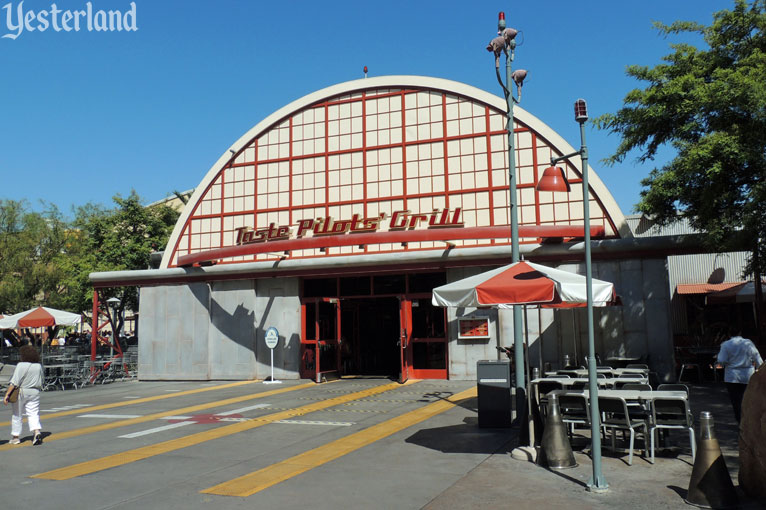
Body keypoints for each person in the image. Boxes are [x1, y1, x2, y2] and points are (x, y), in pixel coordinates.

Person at [716, 329, 763, 423]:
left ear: (729, 334)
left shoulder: (725, 344)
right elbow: (757, 357)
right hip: (748, 375)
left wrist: (728, 362)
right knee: (749, 400)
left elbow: (721, 360)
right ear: (740, 333)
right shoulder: (748, 343)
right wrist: (760, 369)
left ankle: (740, 421)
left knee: (736, 401)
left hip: (732, 376)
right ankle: (750, 421)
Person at [3, 345, 45, 445]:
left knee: (17, 414)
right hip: (34, 392)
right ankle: (36, 432)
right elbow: (42, 380)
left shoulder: (20, 365)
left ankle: (16, 437)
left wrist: (7, 395)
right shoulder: (38, 366)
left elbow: (14, 382)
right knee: (33, 413)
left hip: (21, 392)